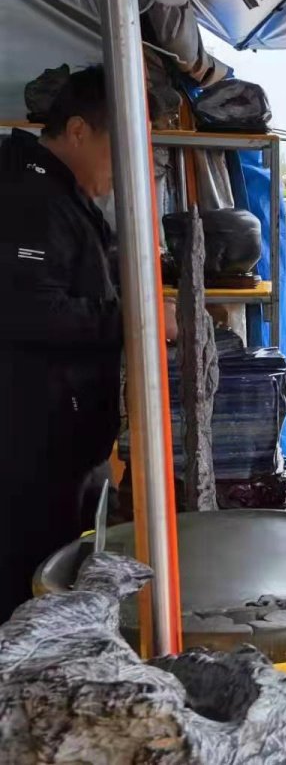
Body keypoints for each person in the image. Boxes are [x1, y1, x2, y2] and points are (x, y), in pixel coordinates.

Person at [0, 66, 124, 621]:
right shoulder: (31, 198)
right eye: (115, 149)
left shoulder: (63, 196)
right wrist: (131, 320)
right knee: (28, 596)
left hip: (62, 441)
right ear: (78, 131)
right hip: (30, 448)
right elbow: (27, 309)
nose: (124, 170)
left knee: (57, 583)